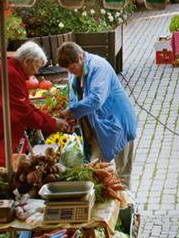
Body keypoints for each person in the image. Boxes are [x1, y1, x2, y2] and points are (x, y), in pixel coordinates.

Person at [0, 41, 70, 175]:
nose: (36, 72)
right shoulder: (10, 75)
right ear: (27, 61)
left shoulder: (10, 71)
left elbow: (25, 106)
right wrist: (53, 123)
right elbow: (24, 113)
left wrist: (51, 120)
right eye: (36, 67)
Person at [55, 41, 138, 185]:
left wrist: (71, 111)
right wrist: (73, 116)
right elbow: (74, 98)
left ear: (80, 57)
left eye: (72, 67)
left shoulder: (99, 66)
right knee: (94, 172)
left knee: (122, 174)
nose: (70, 71)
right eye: (67, 69)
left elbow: (96, 99)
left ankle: (126, 206)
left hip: (119, 121)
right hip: (97, 127)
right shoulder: (73, 73)